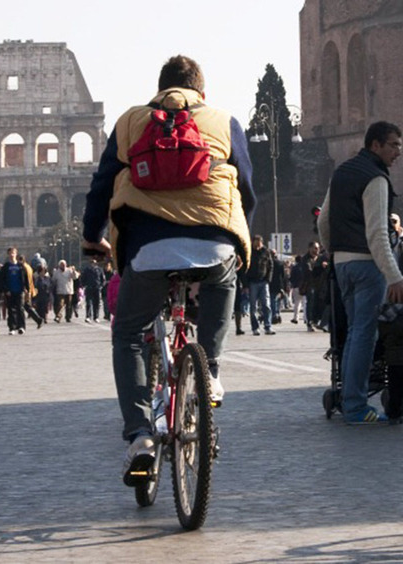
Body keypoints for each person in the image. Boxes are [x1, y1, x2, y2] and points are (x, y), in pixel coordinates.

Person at [81, 55, 256, 487]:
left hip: (146, 248)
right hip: (214, 241)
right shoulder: (224, 120)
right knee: (224, 273)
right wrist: (234, 233)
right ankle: (210, 370)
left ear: (157, 88)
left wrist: (92, 237)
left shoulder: (130, 122)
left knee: (128, 334)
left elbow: (101, 187)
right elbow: (248, 190)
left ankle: (140, 435)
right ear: (202, 90)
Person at [317, 121, 403, 424]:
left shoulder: (342, 172)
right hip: (366, 265)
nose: (398, 151)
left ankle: (349, 397)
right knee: (364, 334)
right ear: (375, 145)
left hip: (342, 264)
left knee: (353, 333)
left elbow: (323, 222)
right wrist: (395, 275)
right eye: (393, 144)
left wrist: (335, 253)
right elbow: (378, 235)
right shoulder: (376, 179)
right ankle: (357, 406)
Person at [246, 235, 275, 336]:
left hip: (264, 281)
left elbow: (271, 265)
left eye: (259, 243)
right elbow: (245, 267)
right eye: (256, 243)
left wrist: (268, 279)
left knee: (266, 305)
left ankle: (268, 326)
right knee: (253, 306)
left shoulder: (265, 252)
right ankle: (255, 327)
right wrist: (245, 284)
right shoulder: (249, 252)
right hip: (252, 282)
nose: (258, 246)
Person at [0, 247, 30, 335]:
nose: (12, 254)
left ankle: (21, 327)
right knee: (11, 310)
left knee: (20, 309)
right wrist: (5, 290)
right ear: (8, 254)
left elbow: (25, 278)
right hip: (10, 291)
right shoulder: (6, 266)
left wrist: (26, 288)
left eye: (13, 253)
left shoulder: (20, 266)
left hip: (19, 290)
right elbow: (2, 279)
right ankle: (12, 327)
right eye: (10, 253)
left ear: (16, 254)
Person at [18, 254, 44, 329]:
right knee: (26, 306)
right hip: (29, 289)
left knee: (24, 307)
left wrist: (27, 290)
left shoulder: (23, 268)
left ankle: (38, 319)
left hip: (26, 290)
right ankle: (38, 320)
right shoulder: (28, 267)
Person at [81, 257, 106, 323]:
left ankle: (96, 317)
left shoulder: (99, 270)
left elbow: (103, 279)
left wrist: (101, 286)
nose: (93, 264)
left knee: (97, 303)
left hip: (97, 288)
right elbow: (83, 278)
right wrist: (84, 285)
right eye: (92, 262)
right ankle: (88, 316)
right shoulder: (86, 270)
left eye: (94, 262)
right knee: (88, 303)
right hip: (89, 287)